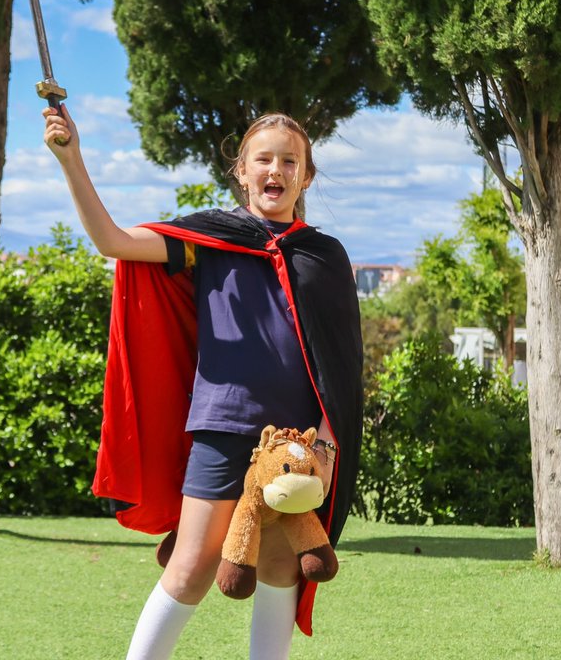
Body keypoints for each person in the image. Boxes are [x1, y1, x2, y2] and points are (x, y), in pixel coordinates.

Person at [44, 105, 362, 660]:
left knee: (281, 568)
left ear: (306, 176)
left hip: (298, 442)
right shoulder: (209, 239)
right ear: (242, 170)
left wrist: (326, 446)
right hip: (222, 427)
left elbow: (343, 368)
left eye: (290, 161)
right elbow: (113, 241)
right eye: (263, 159)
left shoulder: (325, 255)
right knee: (191, 566)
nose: (276, 170)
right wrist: (71, 159)